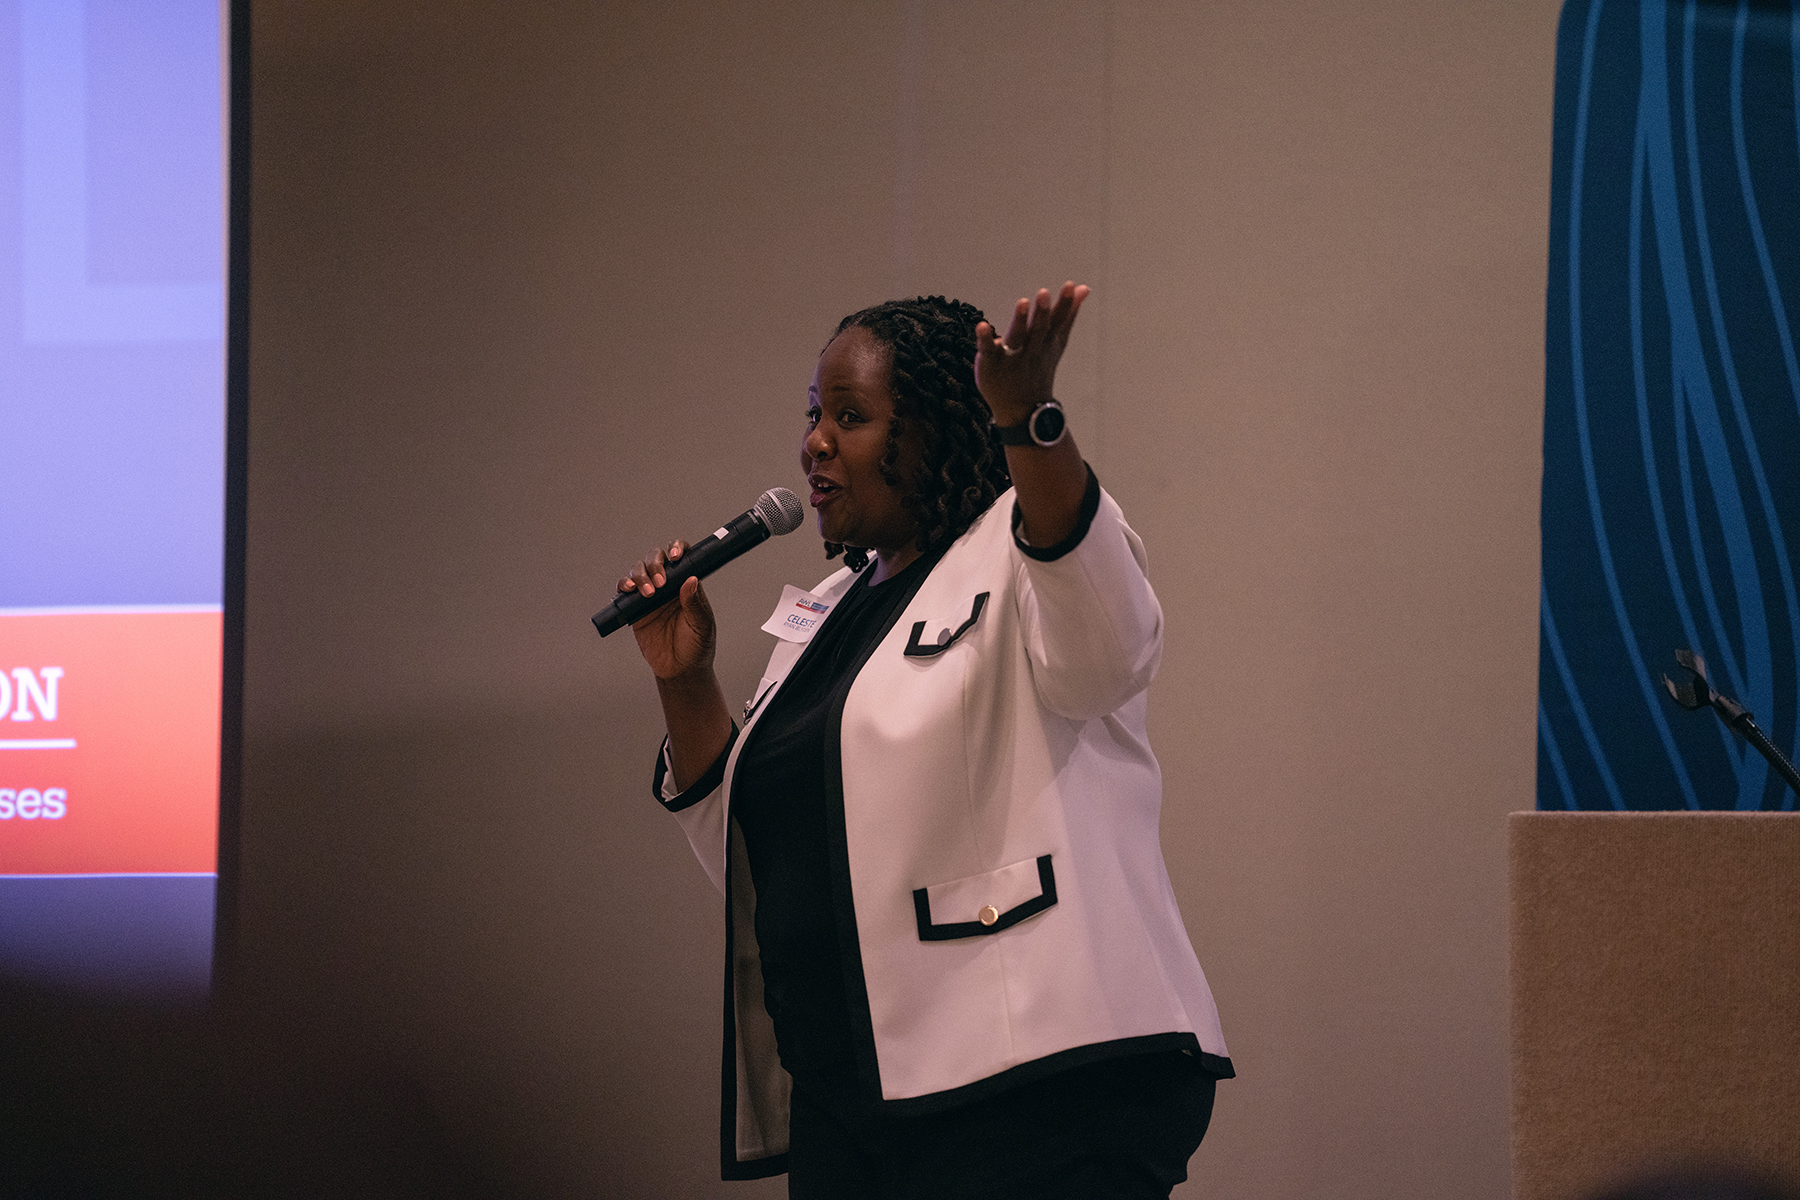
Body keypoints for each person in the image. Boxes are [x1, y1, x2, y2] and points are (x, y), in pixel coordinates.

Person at [617, 283, 1231, 1198]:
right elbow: (763, 858)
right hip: (857, 1103)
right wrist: (684, 679)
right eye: (816, 415)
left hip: (1033, 1086)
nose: (815, 442)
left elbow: (1109, 653)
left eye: (852, 417)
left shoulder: (1021, 551)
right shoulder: (827, 620)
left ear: (941, 429)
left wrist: (1030, 423)